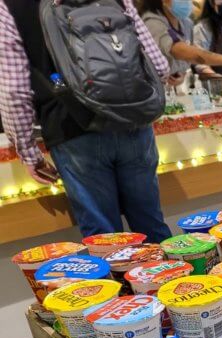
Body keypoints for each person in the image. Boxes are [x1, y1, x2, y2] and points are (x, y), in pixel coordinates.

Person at [0, 0, 173, 242]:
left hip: (72, 126)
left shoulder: (11, 5)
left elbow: (14, 91)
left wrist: (29, 153)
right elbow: (159, 65)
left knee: (105, 238)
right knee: (151, 224)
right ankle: (171, 267)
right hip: (134, 122)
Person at [139, 0, 222, 84]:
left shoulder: (186, 23)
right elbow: (180, 51)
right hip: (152, 90)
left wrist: (181, 75)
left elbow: (185, 61)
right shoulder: (152, 22)